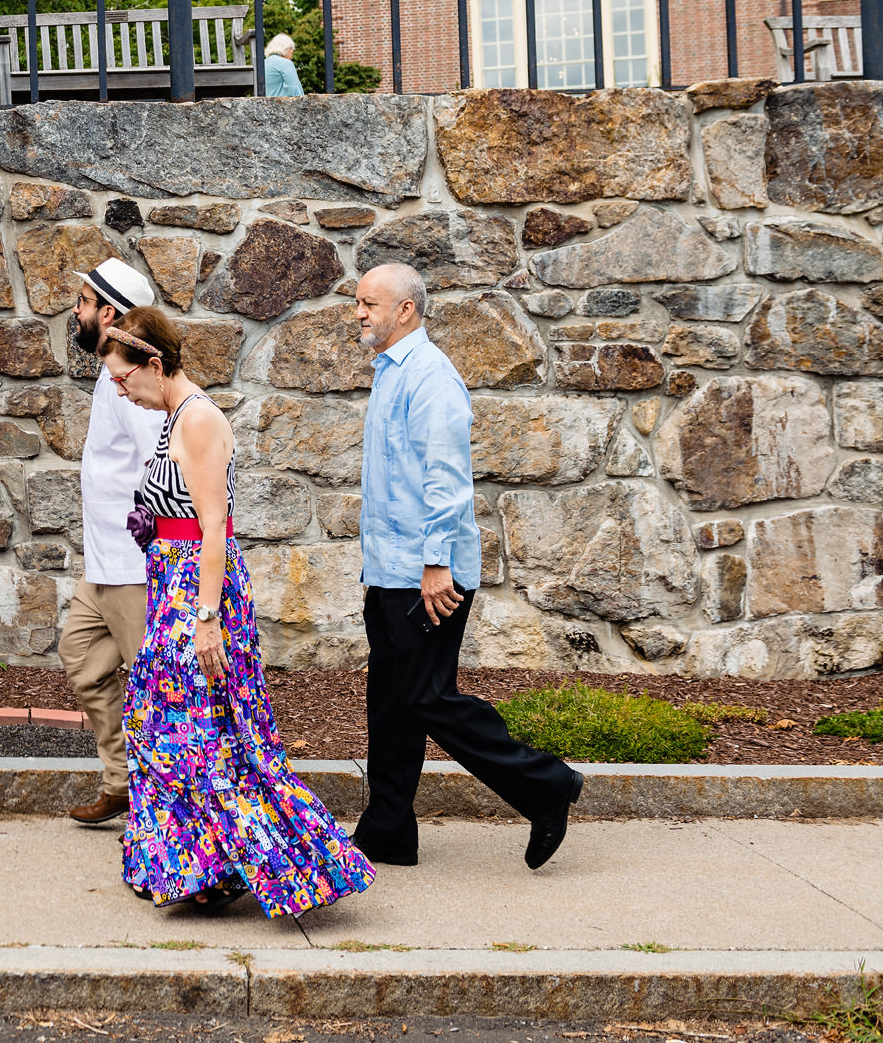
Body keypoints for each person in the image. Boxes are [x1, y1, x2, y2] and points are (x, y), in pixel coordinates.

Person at [101, 307, 376, 917]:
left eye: (124, 379)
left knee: (190, 736)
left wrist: (205, 619)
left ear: (153, 363)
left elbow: (214, 527)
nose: (120, 390)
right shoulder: (175, 415)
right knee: (184, 734)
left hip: (195, 595)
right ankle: (203, 869)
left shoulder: (197, 418)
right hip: (174, 589)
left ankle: (281, 866)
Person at [349, 262, 584, 870]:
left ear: (406, 309)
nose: (359, 313)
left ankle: (546, 785)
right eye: (358, 303)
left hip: (427, 575)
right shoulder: (390, 374)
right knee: (391, 702)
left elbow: (447, 483)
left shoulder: (431, 378)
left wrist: (434, 565)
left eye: (369, 303)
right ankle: (388, 830)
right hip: (389, 571)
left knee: (426, 697)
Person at [61, 259, 167, 826]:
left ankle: (158, 800)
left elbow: (160, 457)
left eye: (81, 302)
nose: (74, 312)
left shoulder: (133, 383)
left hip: (134, 563)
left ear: (107, 312)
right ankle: (122, 780)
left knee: (154, 685)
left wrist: (150, 539)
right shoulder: (110, 374)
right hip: (101, 560)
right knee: (80, 658)